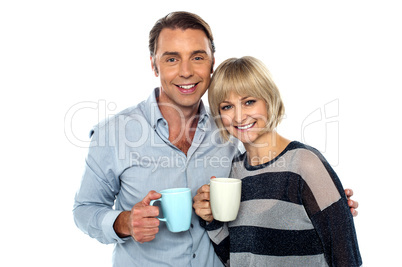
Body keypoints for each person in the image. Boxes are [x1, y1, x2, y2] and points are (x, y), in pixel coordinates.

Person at [73, 12, 359, 266]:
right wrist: (122, 222)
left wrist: (322, 200)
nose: (186, 71)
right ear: (154, 65)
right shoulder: (113, 134)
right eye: (172, 58)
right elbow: (84, 210)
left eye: (197, 57)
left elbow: (265, 186)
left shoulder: (229, 132)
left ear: (211, 64)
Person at [193, 56, 362, 266]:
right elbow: (236, 259)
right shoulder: (233, 171)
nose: (238, 117)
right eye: (227, 107)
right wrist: (211, 220)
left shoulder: (305, 163)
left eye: (249, 102)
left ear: (269, 100)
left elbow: (346, 258)